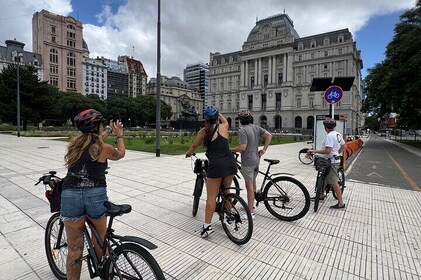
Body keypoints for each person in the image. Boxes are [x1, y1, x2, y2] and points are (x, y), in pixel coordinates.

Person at [61, 109, 125, 279]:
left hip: (70, 195)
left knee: (74, 249)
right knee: (99, 239)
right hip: (95, 195)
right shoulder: (104, 149)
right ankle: (102, 268)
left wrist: (108, 131)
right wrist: (119, 135)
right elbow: (121, 154)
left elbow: (93, 142)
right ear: (97, 128)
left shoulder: (74, 146)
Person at [185, 106, 237, 238]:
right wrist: (219, 114)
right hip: (230, 163)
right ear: (217, 117)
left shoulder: (203, 131)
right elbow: (225, 121)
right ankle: (229, 216)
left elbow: (194, 146)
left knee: (211, 197)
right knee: (227, 191)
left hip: (217, 165)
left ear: (206, 119)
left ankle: (207, 227)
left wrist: (188, 153)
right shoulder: (224, 127)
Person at [230, 110, 272, 218]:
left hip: (248, 162)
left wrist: (229, 150)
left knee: (249, 187)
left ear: (240, 121)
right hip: (256, 160)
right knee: (253, 183)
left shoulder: (243, 130)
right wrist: (264, 150)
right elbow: (269, 136)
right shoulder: (255, 127)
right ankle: (252, 206)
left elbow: (242, 147)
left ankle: (250, 212)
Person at [307, 118, 346, 209]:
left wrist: (313, 151)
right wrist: (337, 153)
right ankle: (321, 195)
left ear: (325, 128)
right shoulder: (337, 134)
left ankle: (341, 203)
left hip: (331, 162)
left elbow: (327, 151)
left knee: (333, 182)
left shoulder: (329, 136)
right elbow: (344, 146)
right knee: (324, 178)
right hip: (331, 160)